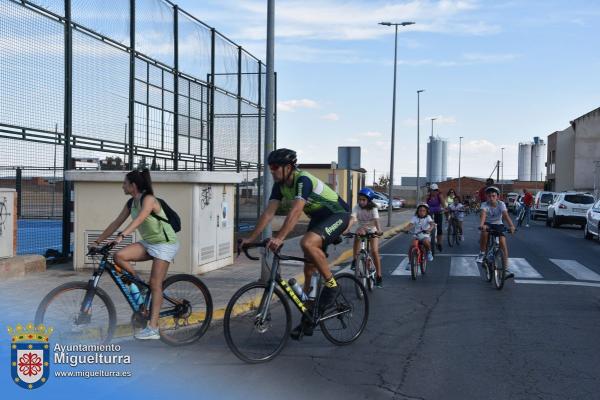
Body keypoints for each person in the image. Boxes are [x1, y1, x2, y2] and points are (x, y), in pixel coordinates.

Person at [240, 148, 350, 340]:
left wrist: (280, 237)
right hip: (318, 219)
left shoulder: (303, 180)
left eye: (275, 167)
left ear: (289, 167)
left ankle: (332, 286)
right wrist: (251, 238)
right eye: (270, 168)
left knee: (306, 242)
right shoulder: (279, 185)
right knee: (308, 271)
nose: (271, 171)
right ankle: (310, 316)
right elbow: (268, 212)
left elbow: (296, 211)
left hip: (338, 214)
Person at [91, 168, 180, 340]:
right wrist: (97, 241)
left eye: (124, 183)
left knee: (155, 284)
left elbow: (139, 219)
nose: (122, 186)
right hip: (149, 242)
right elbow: (115, 223)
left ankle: (153, 328)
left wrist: (121, 237)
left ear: (133, 185)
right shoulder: (131, 203)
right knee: (119, 256)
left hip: (165, 244)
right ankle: (139, 284)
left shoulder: (149, 199)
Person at [343, 188, 383, 287]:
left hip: (372, 229)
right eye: (360, 199)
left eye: (363, 200)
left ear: (369, 200)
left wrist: (379, 230)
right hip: (361, 229)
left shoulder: (373, 208)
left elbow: (375, 220)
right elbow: (353, 218)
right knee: (357, 236)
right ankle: (354, 259)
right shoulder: (357, 207)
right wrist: (346, 229)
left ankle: (379, 275)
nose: (361, 201)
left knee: (374, 251)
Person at [476, 186, 516, 277]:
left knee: (503, 242)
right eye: (489, 196)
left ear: (497, 196)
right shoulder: (484, 204)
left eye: (493, 196)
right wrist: (482, 225)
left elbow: (505, 215)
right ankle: (482, 253)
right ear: (487, 197)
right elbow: (483, 214)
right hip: (487, 223)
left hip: (498, 224)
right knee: (484, 232)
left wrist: (511, 226)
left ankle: (505, 270)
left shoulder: (501, 204)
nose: (491, 198)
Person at [425, 183, 445, 252]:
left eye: (436, 190)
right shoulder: (428, 196)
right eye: (433, 190)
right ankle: (427, 239)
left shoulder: (439, 195)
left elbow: (443, 204)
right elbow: (425, 204)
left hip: (438, 212)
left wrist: (445, 209)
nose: (434, 192)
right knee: (426, 226)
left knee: (439, 228)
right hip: (429, 213)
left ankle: (439, 243)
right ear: (430, 190)